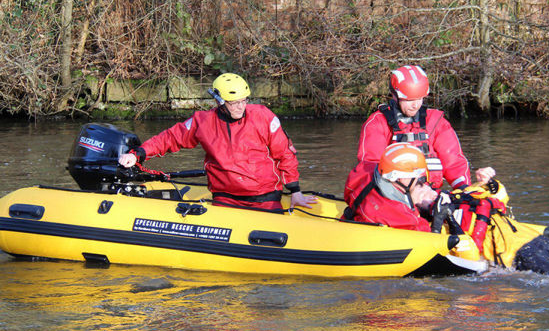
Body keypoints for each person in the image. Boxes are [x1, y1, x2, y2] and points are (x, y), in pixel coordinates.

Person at [118, 73, 318, 211]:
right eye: (234, 103)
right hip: (225, 198)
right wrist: (137, 153)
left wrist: (295, 191)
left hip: (264, 198)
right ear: (219, 102)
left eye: (244, 100)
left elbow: (284, 154)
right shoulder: (203, 121)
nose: (241, 107)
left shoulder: (263, 117)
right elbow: (170, 138)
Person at [355, 64, 495, 191]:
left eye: (420, 99)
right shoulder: (377, 124)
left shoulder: (435, 122)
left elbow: (454, 163)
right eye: (410, 100)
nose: (416, 105)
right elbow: (370, 166)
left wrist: (465, 189)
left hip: (429, 194)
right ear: (394, 96)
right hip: (394, 197)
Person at [342, 143, 438, 231]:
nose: (418, 178)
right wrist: (438, 220)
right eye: (414, 176)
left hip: (351, 221)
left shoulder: (368, 170)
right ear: (400, 178)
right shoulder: (398, 213)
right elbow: (425, 235)